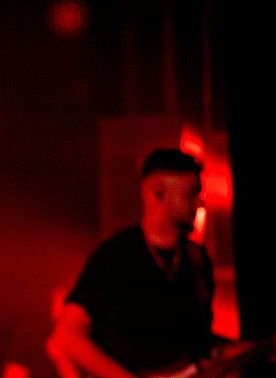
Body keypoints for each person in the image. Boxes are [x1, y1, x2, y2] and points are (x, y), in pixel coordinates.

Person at [46, 148, 215, 378]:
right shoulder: (117, 255)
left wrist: (259, 348)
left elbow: (202, 346)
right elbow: (66, 335)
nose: (199, 204)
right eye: (191, 193)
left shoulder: (196, 259)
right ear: (159, 193)